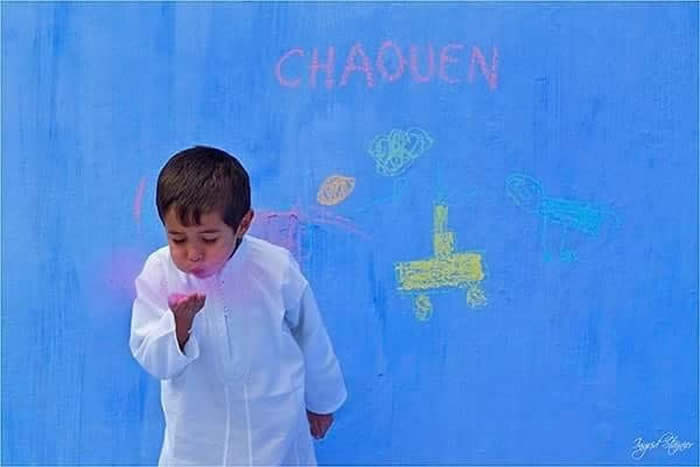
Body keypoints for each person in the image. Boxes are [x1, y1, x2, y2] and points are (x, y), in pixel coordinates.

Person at [129, 145, 347, 465]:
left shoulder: (275, 268)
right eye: (177, 239)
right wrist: (179, 326)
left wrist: (322, 401)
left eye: (208, 238)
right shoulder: (159, 273)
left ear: (243, 224)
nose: (193, 253)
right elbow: (151, 356)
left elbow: (310, 336)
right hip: (197, 436)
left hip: (275, 427)